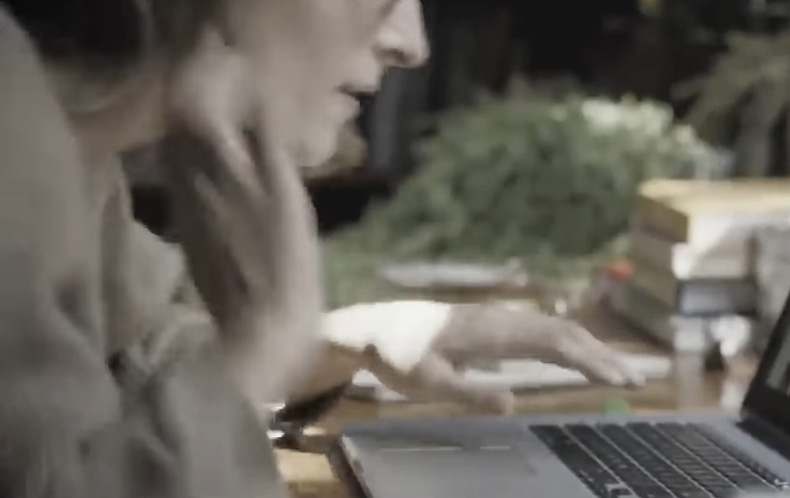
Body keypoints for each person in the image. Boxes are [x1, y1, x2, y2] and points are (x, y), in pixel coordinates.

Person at [0, 1, 642, 496]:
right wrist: (265, 339)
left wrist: (333, 343)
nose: (411, 44)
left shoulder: (76, 158)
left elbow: (131, 346)